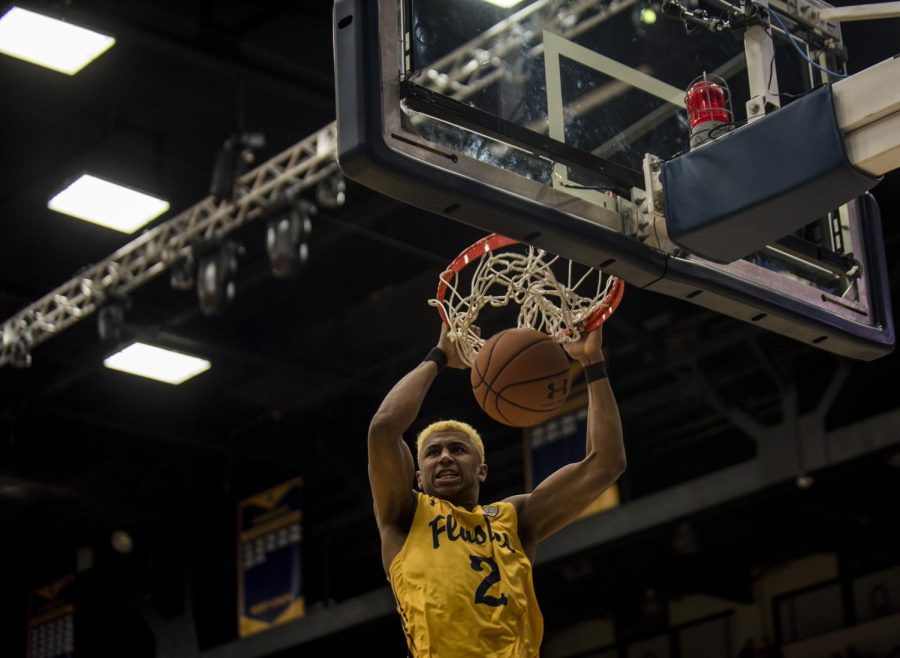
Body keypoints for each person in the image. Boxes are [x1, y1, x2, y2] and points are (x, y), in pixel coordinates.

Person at [368, 322, 625, 657]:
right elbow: (384, 427)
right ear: (418, 477)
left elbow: (605, 464)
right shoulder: (404, 516)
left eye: (457, 450)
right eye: (433, 453)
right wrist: (440, 356)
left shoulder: (514, 518)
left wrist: (592, 362)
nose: (444, 457)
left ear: (482, 469)